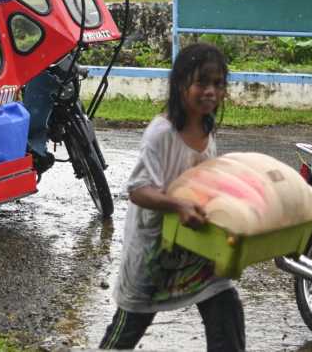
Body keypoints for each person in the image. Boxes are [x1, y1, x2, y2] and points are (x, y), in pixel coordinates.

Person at [100, 43, 245, 351]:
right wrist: (177, 203)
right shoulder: (161, 133)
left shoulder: (207, 127)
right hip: (154, 253)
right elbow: (138, 189)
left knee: (225, 306)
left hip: (195, 247)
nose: (211, 91)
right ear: (180, 84)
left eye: (218, 84)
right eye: (202, 83)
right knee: (130, 324)